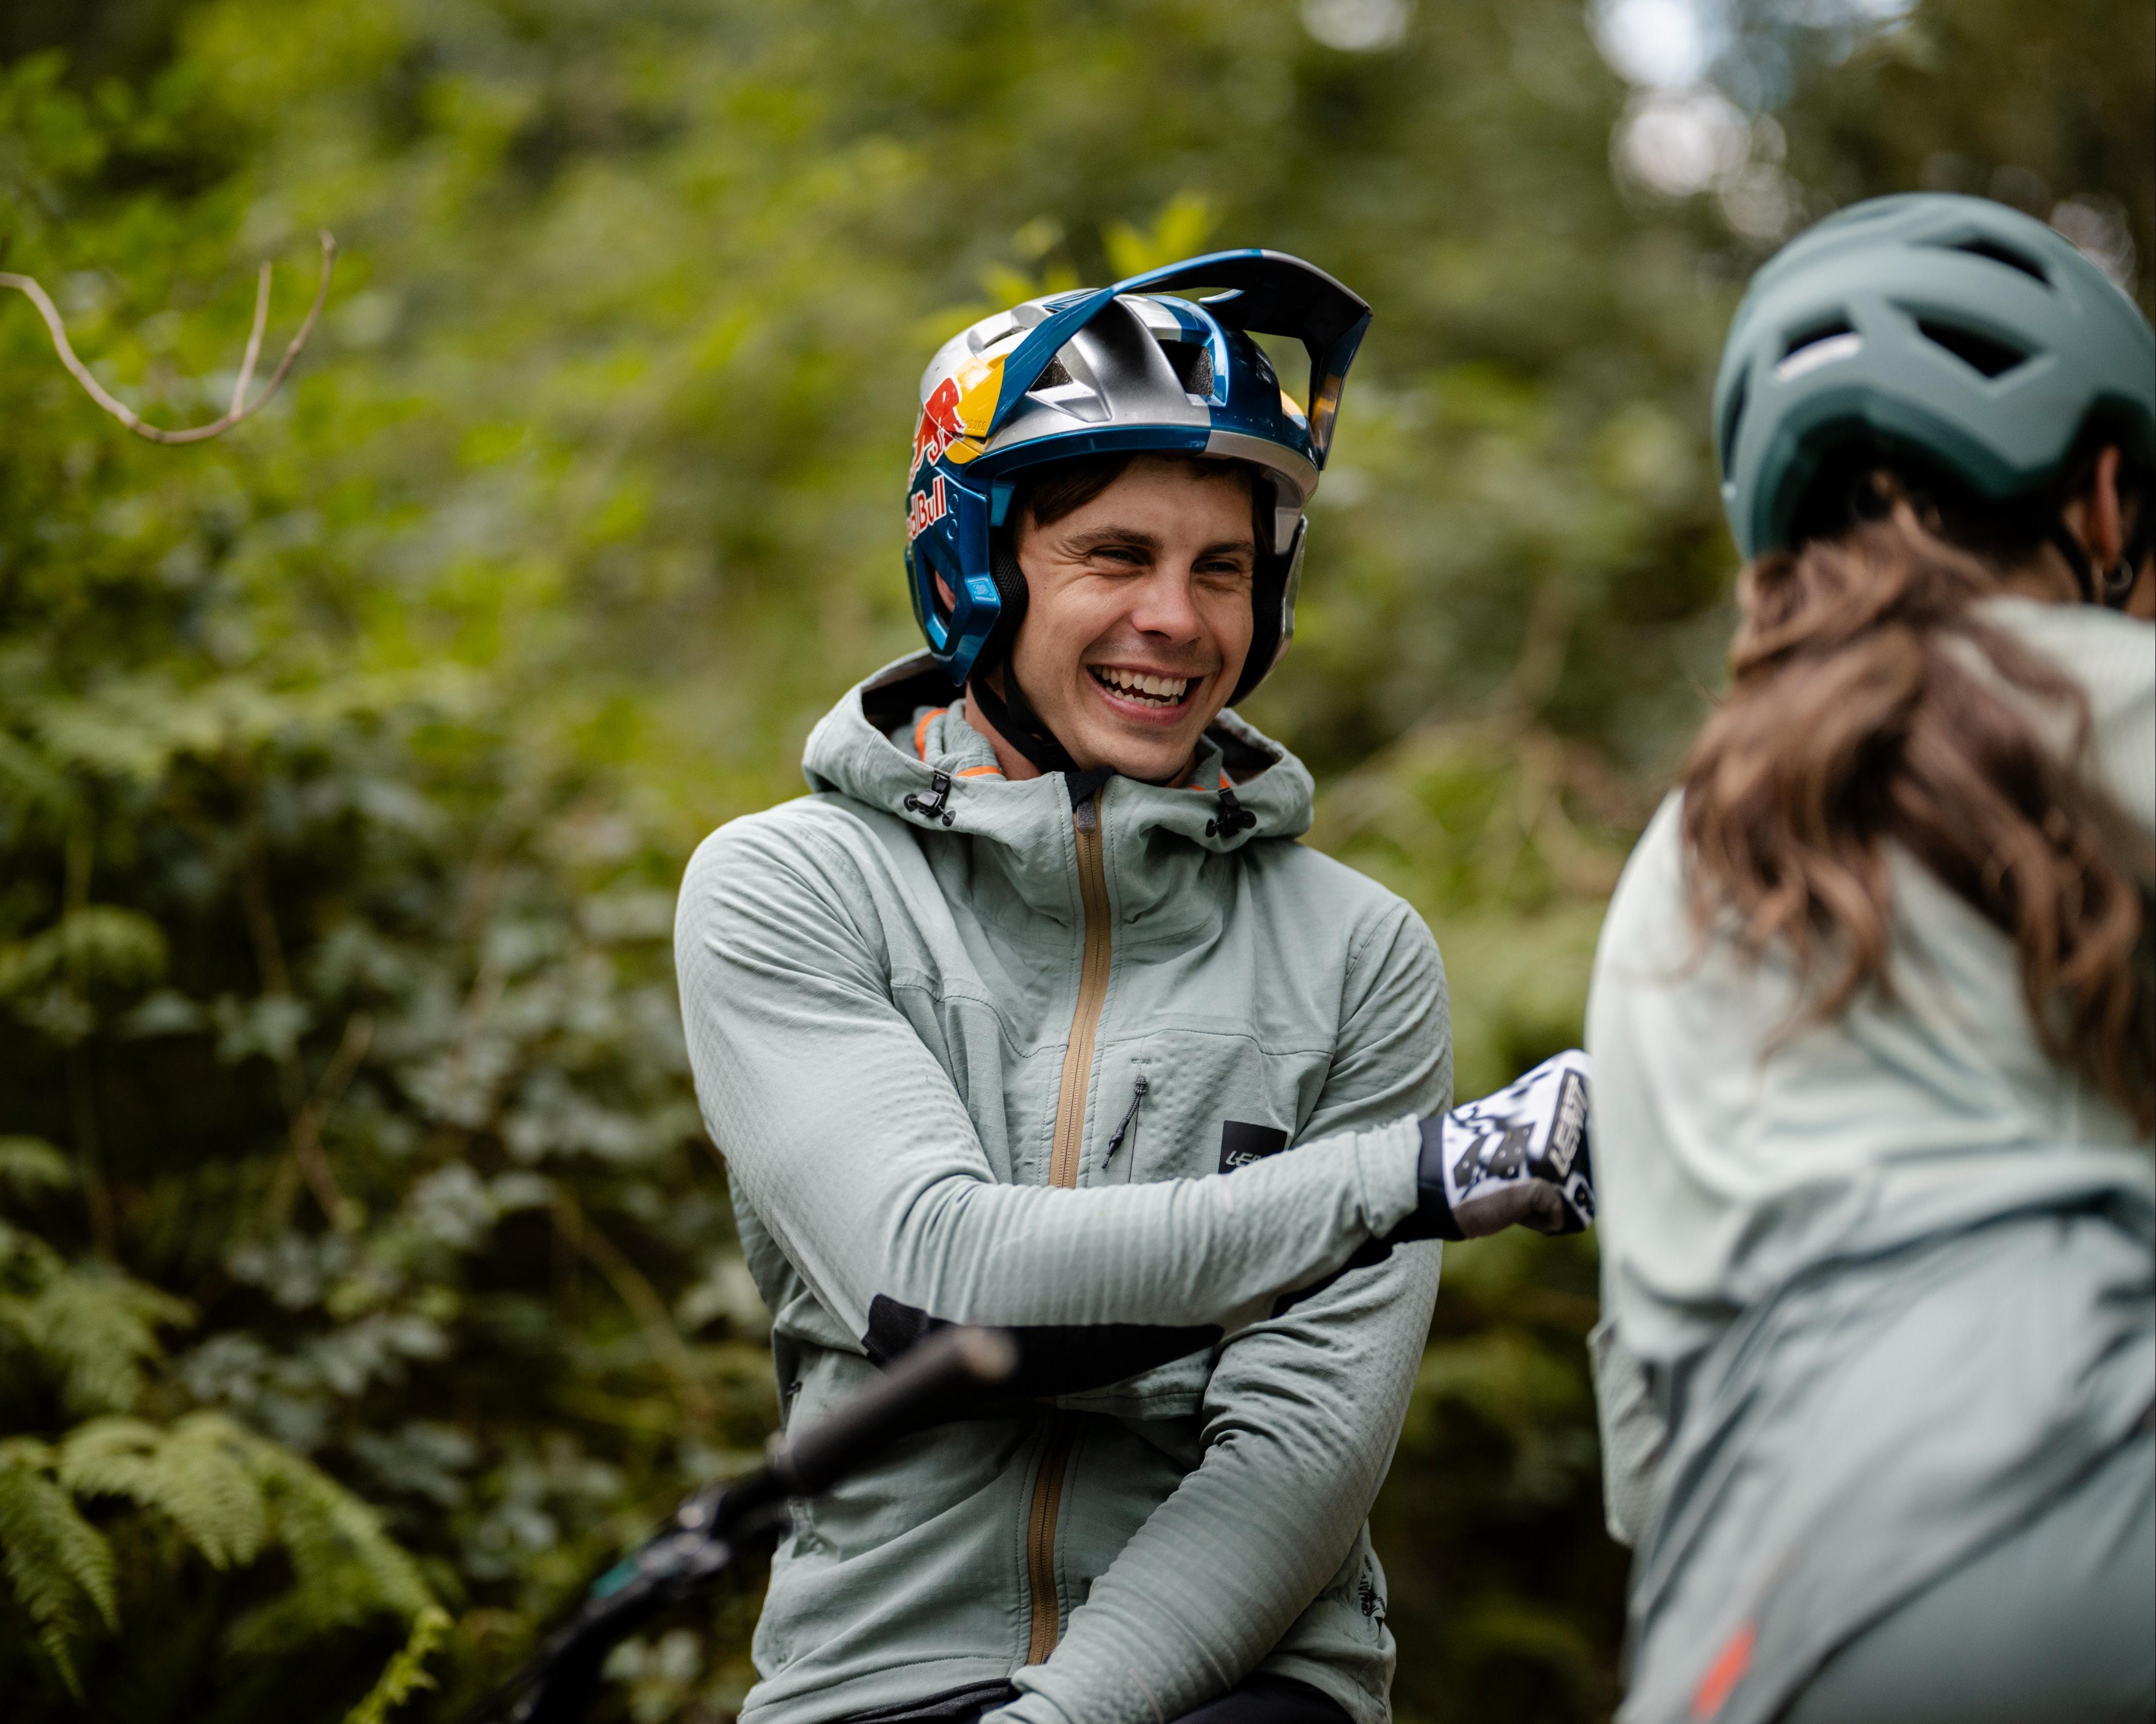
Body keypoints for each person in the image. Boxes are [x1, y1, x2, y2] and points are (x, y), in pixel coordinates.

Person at [674, 251, 1593, 1724]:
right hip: (874, 1677)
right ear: (976, 565)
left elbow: (1304, 1444)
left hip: (1238, 1681)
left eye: (1220, 568)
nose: (1176, 618)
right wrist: (1410, 1178)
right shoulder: (790, 886)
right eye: (1114, 556)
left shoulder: (1358, 954)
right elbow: (939, 1279)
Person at [1585, 192, 2155, 1724]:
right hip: (2093, 1466)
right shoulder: (2110, 697)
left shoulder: (1671, 865)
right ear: (2108, 498)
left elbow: (1641, 1442)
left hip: (1740, 1618)